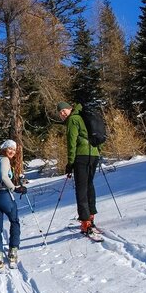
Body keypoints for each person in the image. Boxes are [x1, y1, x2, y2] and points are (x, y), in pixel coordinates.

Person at [58, 101, 100, 235]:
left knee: (81, 189)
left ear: (70, 109)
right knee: (89, 185)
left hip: (81, 156)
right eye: (60, 113)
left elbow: (72, 143)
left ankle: (85, 221)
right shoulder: (83, 117)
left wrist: (70, 163)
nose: (62, 114)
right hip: (94, 155)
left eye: (64, 110)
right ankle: (91, 216)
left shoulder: (73, 120)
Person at [0, 139, 26, 269]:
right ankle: (13, 251)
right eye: (10, 148)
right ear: (4, 148)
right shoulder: (4, 160)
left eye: (14, 150)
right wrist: (15, 188)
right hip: (4, 196)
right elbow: (4, 177)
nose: (12, 151)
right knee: (14, 221)